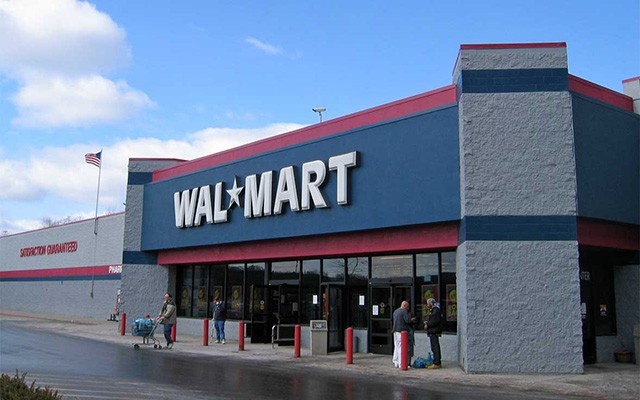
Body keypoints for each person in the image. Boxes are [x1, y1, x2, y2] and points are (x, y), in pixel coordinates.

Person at [424, 298, 443, 369]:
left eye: (428, 303)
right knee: (434, 347)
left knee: (435, 347)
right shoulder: (435, 310)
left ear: (431, 303)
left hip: (434, 331)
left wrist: (427, 324)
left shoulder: (435, 311)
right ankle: (437, 361)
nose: (427, 305)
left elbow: (434, 321)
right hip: (434, 331)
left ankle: (437, 363)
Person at [391, 300, 411, 368]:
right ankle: (401, 363)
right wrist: (412, 319)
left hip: (395, 330)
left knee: (396, 346)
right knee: (401, 347)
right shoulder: (404, 311)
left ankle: (395, 361)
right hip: (402, 332)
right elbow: (407, 320)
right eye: (407, 307)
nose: (408, 308)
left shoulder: (396, 311)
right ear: (405, 306)